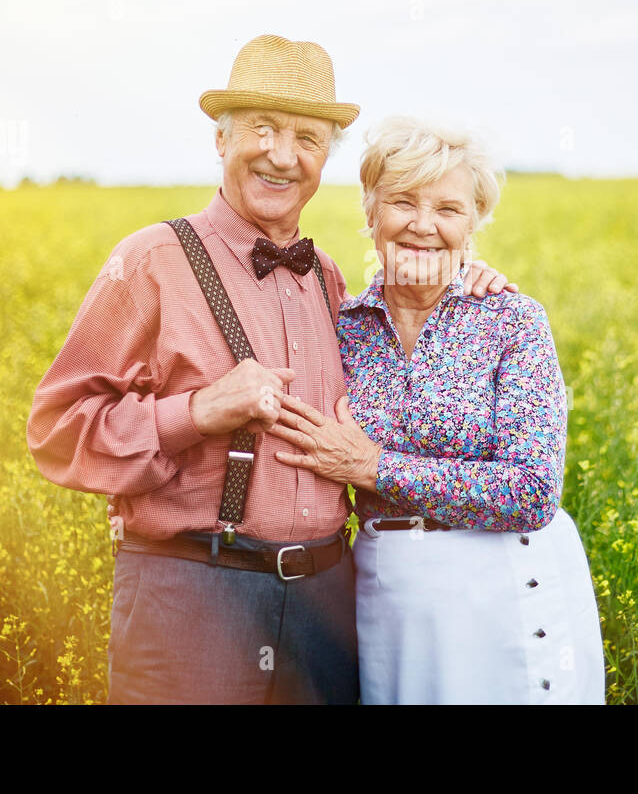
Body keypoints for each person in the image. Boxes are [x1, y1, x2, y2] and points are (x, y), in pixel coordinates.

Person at [26, 35, 513, 704]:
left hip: (326, 600)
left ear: (324, 159)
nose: (283, 155)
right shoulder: (150, 261)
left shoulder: (332, 281)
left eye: (307, 138)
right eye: (263, 129)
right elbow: (56, 431)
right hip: (194, 594)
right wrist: (195, 413)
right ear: (221, 141)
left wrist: (464, 278)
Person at [270, 116, 606, 703]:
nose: (423, 226)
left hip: (504, 593)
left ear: (473, 224)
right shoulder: (339, 326)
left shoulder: (511, 319)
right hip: (392, 599)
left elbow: (531, 491)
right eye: (402, 202)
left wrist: (375, 468)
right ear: (371, 214)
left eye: (448, 210)